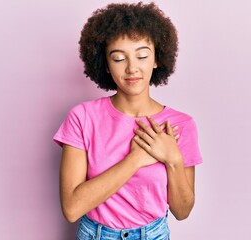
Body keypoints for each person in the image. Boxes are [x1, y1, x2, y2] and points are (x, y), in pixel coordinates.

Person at [53, 2, 203, 239]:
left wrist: (173, 158)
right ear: (106, 65)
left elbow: (182, 211)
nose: (132, 68)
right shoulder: (82, 118)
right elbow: (72, 209)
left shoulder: (181, 124)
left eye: (142, 55)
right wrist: (135, 160)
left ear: (156, 59)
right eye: (119, 58)